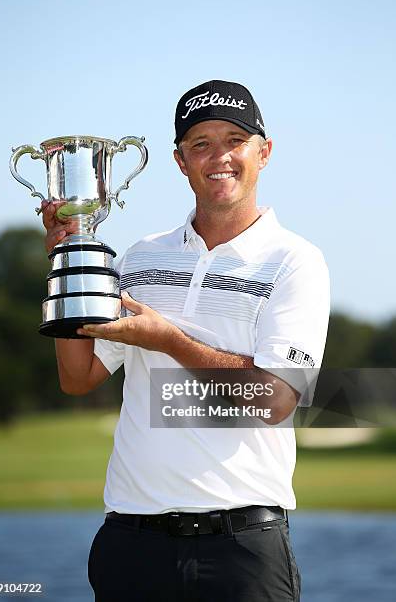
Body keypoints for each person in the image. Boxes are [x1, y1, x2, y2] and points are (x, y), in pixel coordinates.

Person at [42, 79, 330, 602]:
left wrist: (168, 341)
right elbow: (78, 377)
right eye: (200, 143)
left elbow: (274, 399)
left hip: (241, 550)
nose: (218, 156)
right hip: (130, 542)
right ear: (180, 161)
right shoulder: (141, 258)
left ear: (263, 153)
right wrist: (69, 261)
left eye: (234, 140)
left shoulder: (296, 261)